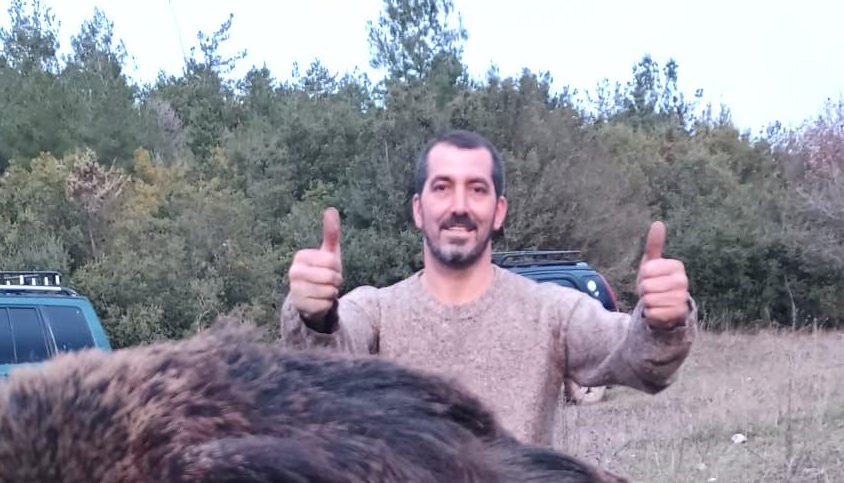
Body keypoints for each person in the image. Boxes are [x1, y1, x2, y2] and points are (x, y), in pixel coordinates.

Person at [280, 129, 696, 450]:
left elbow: (641, 363)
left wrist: (663, 321)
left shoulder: (551, 312)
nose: (459, 206)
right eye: (442, 187)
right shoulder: (376, 311)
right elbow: (324, 362)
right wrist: (315, 313)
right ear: (418, 209)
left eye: (477, 189)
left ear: (498, 211)